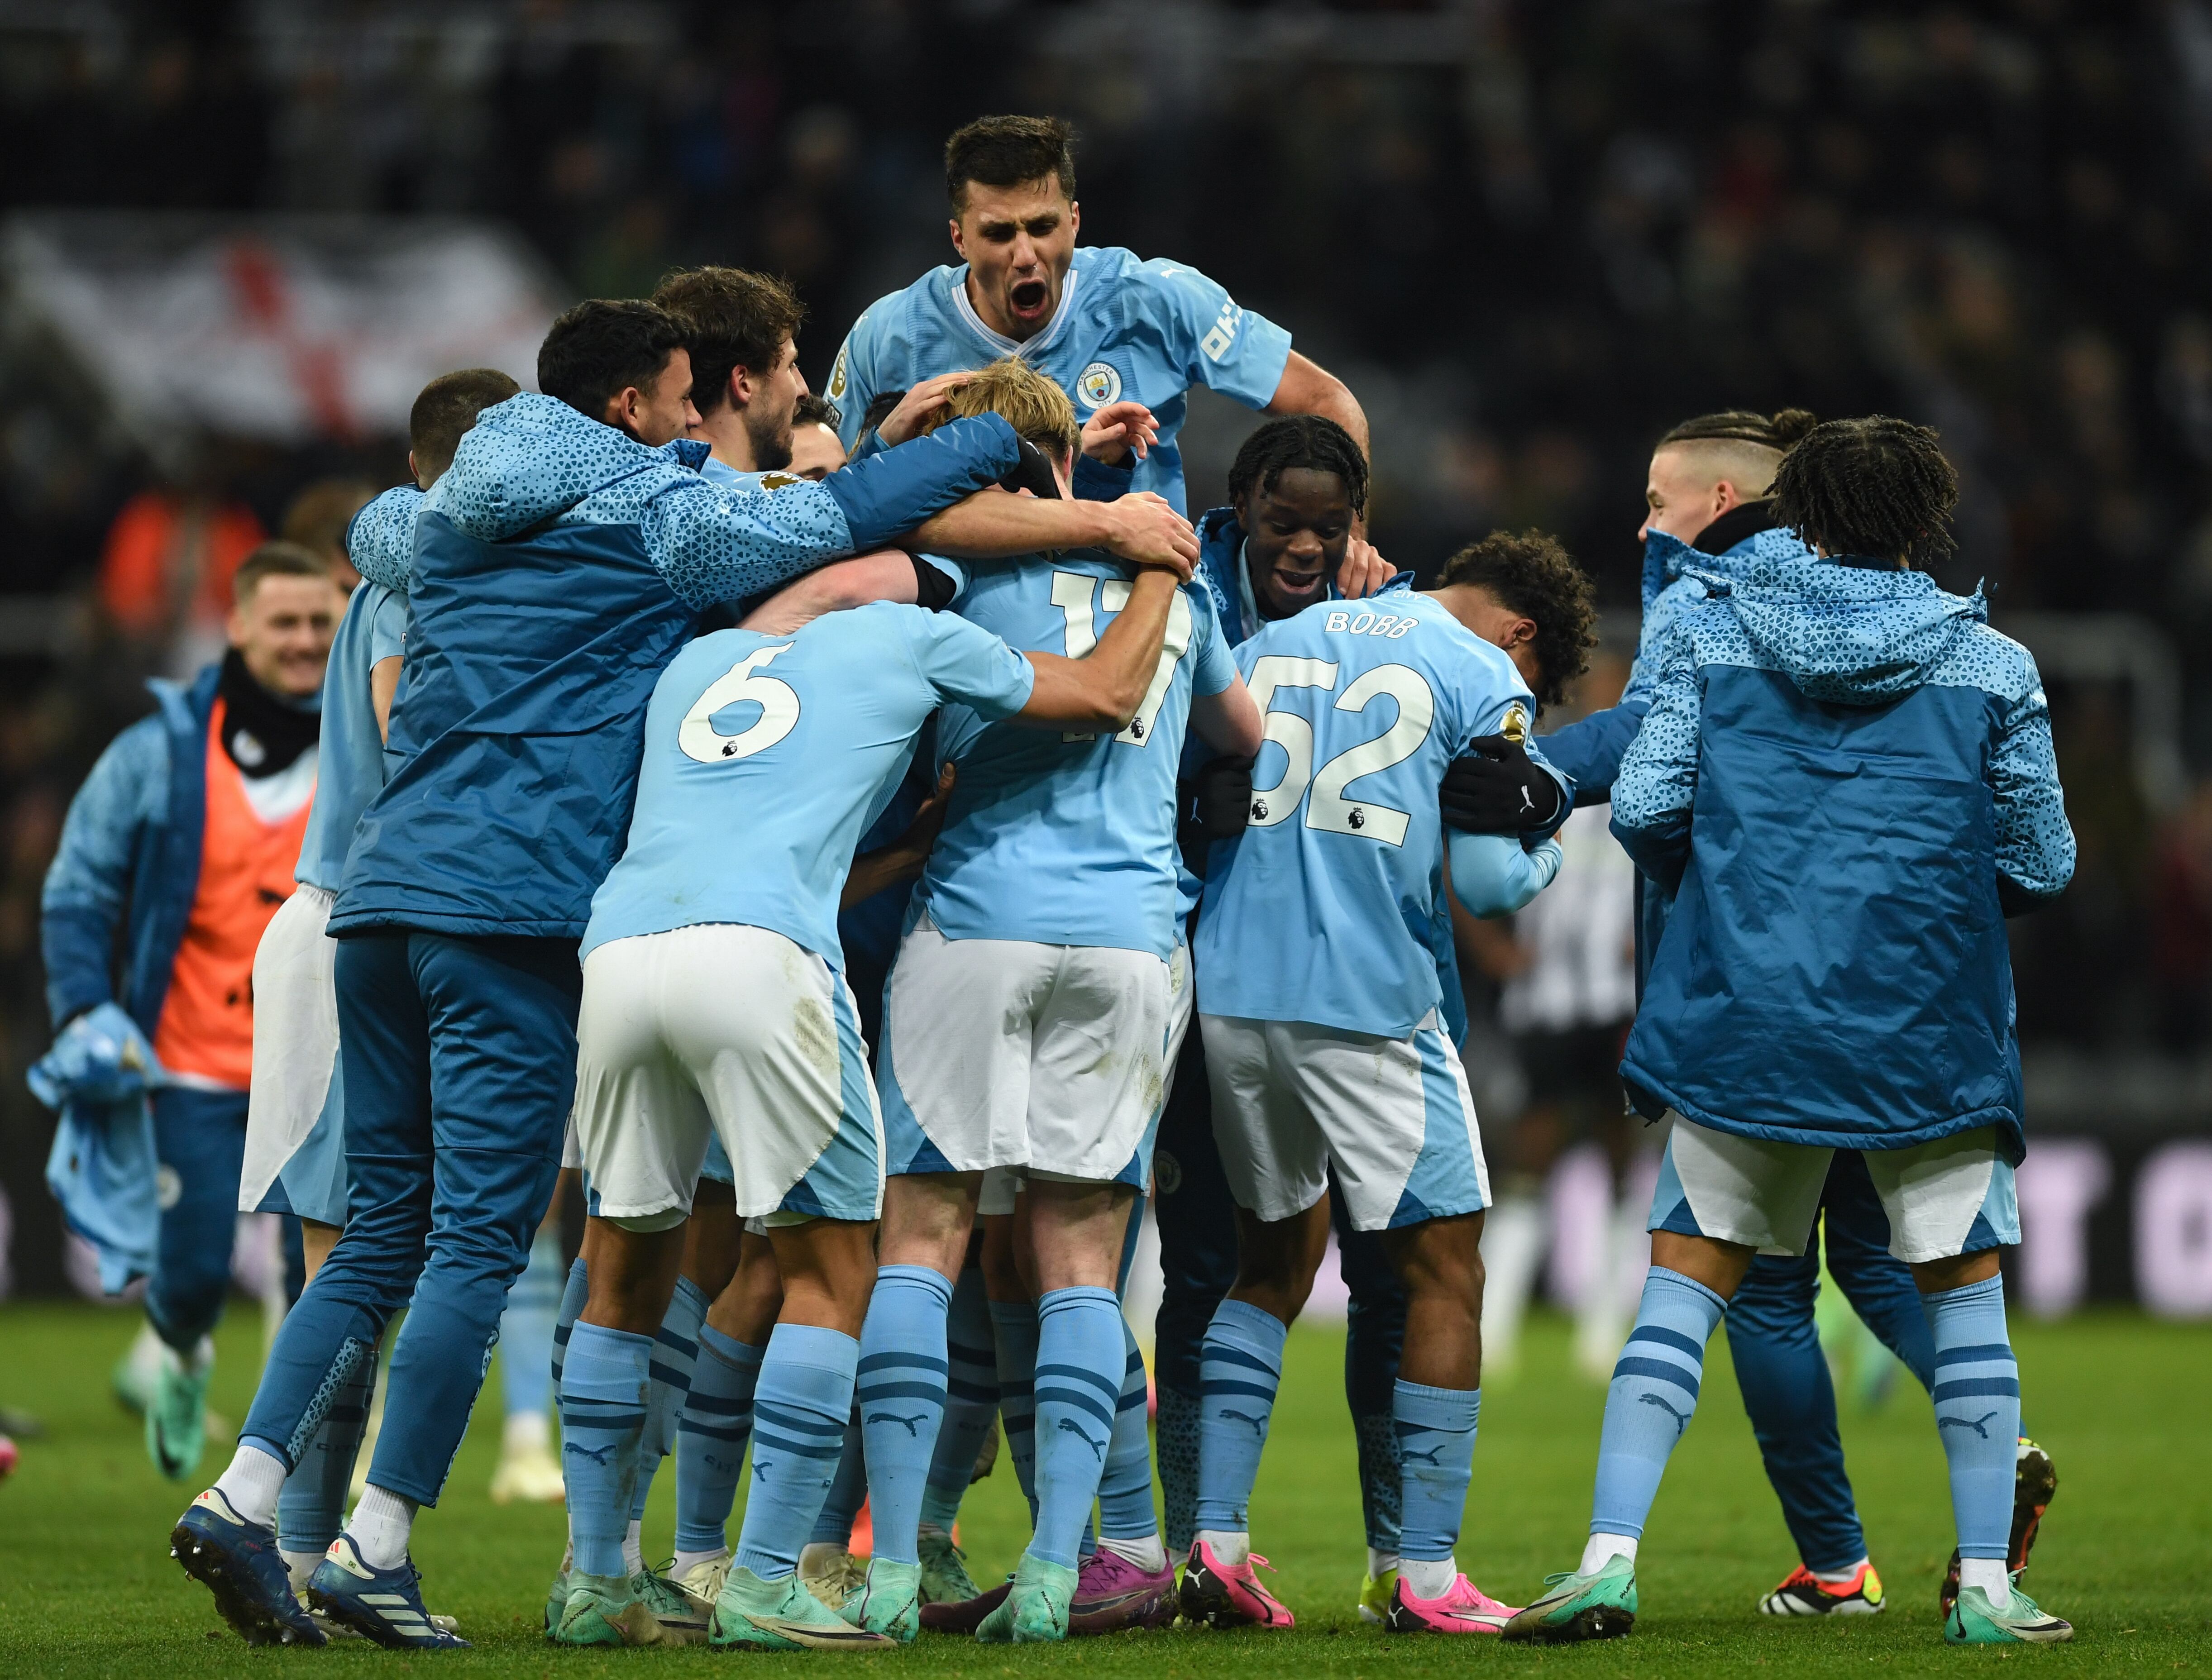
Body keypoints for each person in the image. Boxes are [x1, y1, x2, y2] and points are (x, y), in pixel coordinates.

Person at [169, 298, 1197, 1651]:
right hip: (523, 911)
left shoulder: (449, 525)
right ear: (625, 412)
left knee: (384, 1238)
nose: (686, 422)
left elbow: (375, 529)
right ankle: (381, 1545)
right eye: (673, 400)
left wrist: (877, 434)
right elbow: (846, 517)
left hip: (380, 895)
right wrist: (1014, 440)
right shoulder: (661, 524)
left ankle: (247, 1494)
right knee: (490, 1242)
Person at [1445, 409, 2057, 1620]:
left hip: (1746, 1013)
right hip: (1926, 1026)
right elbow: (2039, 863)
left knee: (1687, 1284)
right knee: (1957, 1293)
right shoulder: (1994, 664)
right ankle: (1985, 1589)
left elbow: (1648, 810)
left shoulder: (1708, 629)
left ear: (1798, 509)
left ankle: (1610, 1561)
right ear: (1924, 519)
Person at [554, 487, 1191, 1651]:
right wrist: (1158, 563)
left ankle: (595, 1578)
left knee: (622, 1267)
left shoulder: (703, 660)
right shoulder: (914, 628)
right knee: (835, 1270)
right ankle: (763, 1583)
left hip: (624, 955)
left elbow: (746, 831)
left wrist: (901, 846)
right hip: (768, 963)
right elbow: (1103, 693)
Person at [844, 358, 1264, 1647]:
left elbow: (871, 516)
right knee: (1082, 1260)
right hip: (1131, 942)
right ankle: (1049, 1576)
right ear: (1063, 462)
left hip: (974, 924)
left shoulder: (948, 569)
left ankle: (894, 1571)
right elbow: (1243, 740)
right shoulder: (1171, 584)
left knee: (922, 1237)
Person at [1182, 530, 1586, 1637]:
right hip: (1367, 993)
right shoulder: (1483, 672)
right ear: (1523, 636)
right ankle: (1427, 1571)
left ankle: (1214, 1545)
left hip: (1232, 985)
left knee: (1269, 1264)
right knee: (1447, 1268)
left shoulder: (1271, 635)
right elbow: (1493, 880)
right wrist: (1551, 827)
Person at [238, 370, 523, 1589]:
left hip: (348, 921)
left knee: (354, 1263)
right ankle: (286, 1539)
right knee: (355, 1264)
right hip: (360, 921)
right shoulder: (423, 571)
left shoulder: (407, 570)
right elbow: (410, 730)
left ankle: (291, 1543)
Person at [40, 541, 341, 1482]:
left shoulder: (367, 735)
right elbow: (79, 885)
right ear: (239, 624)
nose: (302, 640)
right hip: (191, 1058)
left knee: (317, 1276)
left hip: (319, 1058)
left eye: (319, 622)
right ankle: (180, 1347)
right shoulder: (162, 750)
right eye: (283, 622)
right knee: (197, 1270)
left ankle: (281, 1476)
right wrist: (86, 1006)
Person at [827, 114, 1367, 516]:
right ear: (959, 238)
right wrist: (888, 445)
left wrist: (1354, 536)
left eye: (1042, 227)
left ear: (1075, 221)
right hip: (961, 626)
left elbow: (1326, 401)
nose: (1024, 255)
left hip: (1142, 608)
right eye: (998, 233)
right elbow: (816, 490)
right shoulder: (890, 333)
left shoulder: (1154, 298)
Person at [1459, 646, 1644, 1387]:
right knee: (1529, 1158)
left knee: (1621, 1159)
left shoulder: (1654, 779)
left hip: (1618, 1002)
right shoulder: (1542, 774)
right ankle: (1496, 1329)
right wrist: (1495, 950)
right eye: (1597, 690)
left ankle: (1601, 1334)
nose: (1605, 702)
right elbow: (1460, 858)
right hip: (1545, 1002)